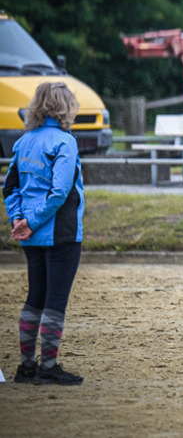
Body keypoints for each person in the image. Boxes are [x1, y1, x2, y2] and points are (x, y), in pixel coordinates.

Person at [4, 82, 85, 385]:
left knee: (35, 297)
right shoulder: (65, 141)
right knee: (55, 301)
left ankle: (26, 368)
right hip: (61, 233)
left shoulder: (23, 142)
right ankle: (48, 367)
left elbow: (10, 187)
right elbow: (60, 191)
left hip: (30, 235)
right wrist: (34, 221)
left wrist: (20, 219)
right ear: (65, 108)